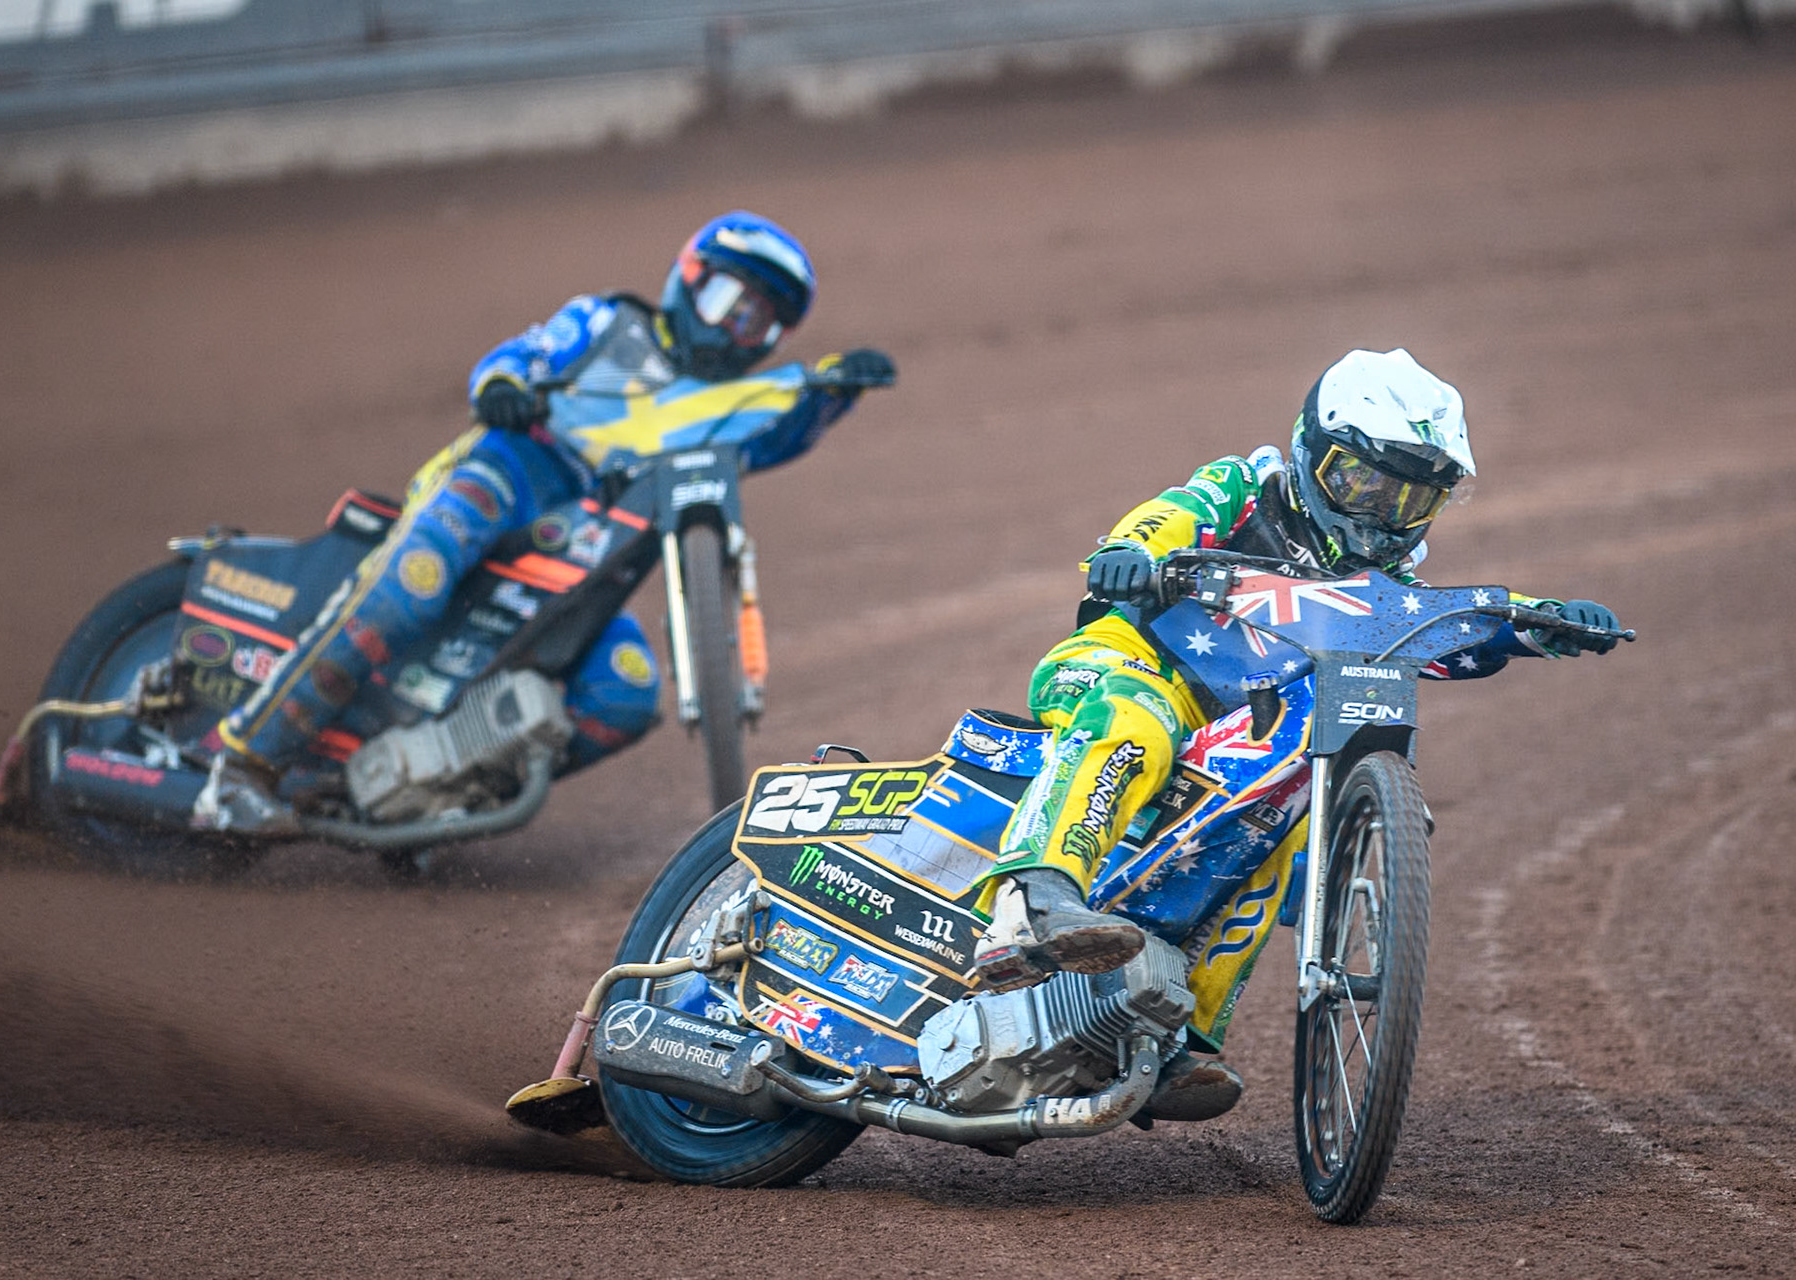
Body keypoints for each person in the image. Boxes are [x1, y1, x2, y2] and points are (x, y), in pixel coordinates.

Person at [969, 347, 1622, 1114]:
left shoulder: (1388, 580)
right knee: (1135, 726)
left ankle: (1178, 1040)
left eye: (1409, 499)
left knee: (1284, 826)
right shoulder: (1249, 485)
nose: (1381, 511)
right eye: (1364, 481)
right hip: (1128, 663)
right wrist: (1129, 552)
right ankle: (1040, 892)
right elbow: (1172, 513)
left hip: (1238, 730)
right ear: (1315, 449)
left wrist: (1541, 623)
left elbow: (1441, 625)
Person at [193, 211, 895, 833]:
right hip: (511, 471)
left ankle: (433, 798)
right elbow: (521, 357)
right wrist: (503, 386)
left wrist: (836, 391)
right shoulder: (607, 321)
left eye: (760, 319)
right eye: (725, 300)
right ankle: (242, 765)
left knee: (621, 690)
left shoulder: (728, 404)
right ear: (687, 280)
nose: (737, 327)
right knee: (415, 582)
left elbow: (780, 426)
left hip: (584, 557)